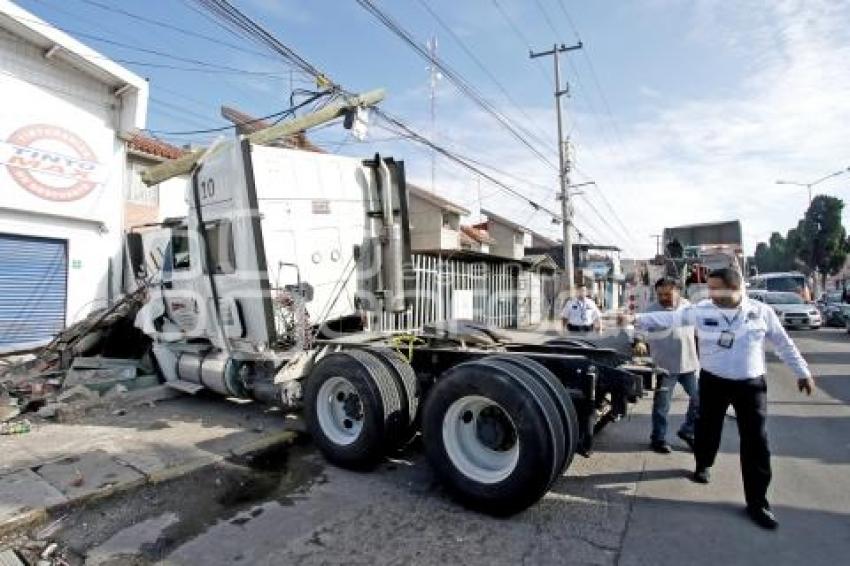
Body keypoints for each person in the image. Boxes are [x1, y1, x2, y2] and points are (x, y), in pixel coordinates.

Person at [619, 267, 815, 530]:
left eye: (714, 288)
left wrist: (802, 372)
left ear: (734, 289)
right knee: (707, 429)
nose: (709, 293)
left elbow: (783, 343)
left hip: (751, 385)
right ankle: (703, 464)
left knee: (756, 440)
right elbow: (670, 319)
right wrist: (634, 319)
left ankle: (757, 502)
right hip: (714, 382)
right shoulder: (703, 310)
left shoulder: (761, 312)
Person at [634, 277, 699, 454]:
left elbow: (699, 330)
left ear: (678, 291)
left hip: (689, 365)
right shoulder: (651, 310)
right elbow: (639, 328)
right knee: (662, 406)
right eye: (660, 294)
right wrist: (639, 341)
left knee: (700, 400)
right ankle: (658, 438)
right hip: (665, 367)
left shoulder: (689, 307)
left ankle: (688, 431)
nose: (663, 298)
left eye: (667, 294)